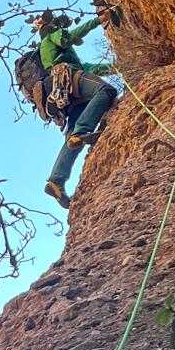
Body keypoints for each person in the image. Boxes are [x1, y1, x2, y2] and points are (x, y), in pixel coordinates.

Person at [36, 13, 119, 209]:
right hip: (68, 78)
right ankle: (82, 131)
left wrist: (117, 66)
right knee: (106, 91)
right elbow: (68, 37)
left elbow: (90, 68)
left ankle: (56, 181)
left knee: (73, 138)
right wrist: (98, 20)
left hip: (68, 96)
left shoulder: (50, 52)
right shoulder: (52, 35)